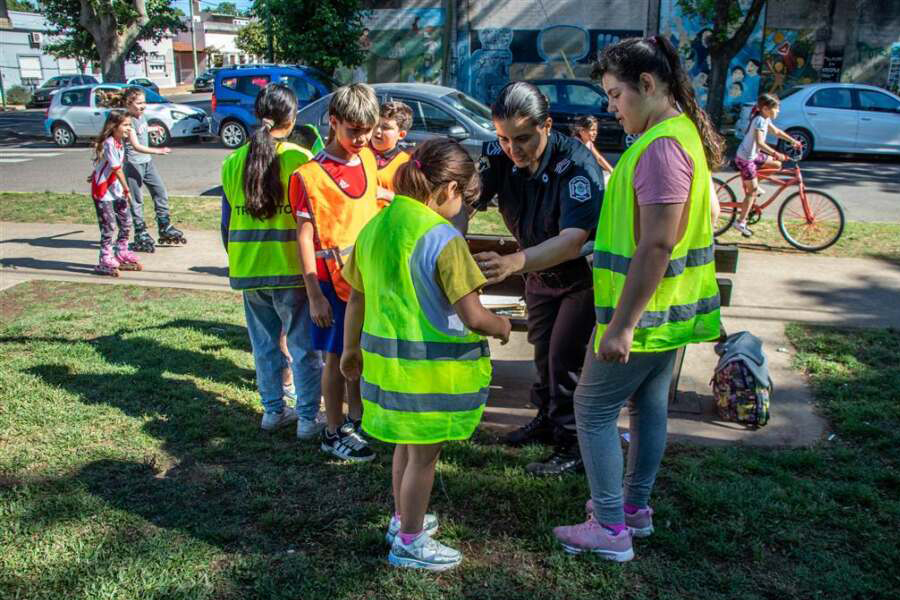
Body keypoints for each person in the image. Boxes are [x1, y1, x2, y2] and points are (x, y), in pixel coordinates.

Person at [551, 35, 723, 562]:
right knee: (647, 405)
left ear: (647, 85)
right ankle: (633, 510)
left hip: (642, 316)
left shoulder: (662, 148)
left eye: (614, 94)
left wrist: (621, 325)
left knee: (592, 407)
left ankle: (608, 526)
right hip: (669, 311)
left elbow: (657, 242)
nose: (609, 107)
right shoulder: (678, 134)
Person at [340, 138, 511, 571]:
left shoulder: (374, 228)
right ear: (449, 189)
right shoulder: (443, 239)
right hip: (430, 378)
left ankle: (403, 520)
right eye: (465, 197)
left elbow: (356, 300)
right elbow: (473, 315)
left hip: (386, 371)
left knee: (406, 448)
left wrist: (348, 350)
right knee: (424, 459)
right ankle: (411, 542)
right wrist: (503, 326)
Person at [471, 81, 604, 476]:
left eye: (524, 138)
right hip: (537, 275)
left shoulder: (577, 165)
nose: (514, 149)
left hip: (580, 276)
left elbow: (573, 240)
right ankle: (546, 421)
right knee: (543, 354)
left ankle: (573, 445)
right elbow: (466, 198)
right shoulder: (498, 153)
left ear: (547, 125)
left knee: (565, 360)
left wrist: (513, 263)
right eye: (504, 138)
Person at [220, 83, 323, 437]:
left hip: (249, 269)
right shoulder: (299, 158)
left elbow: (226, 221)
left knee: (264, 346)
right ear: (292, 117)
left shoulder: (233, 160)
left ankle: (272, 412)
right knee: (303, 347)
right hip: (291, 269)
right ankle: (308, 419)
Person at [292, 83, 382, 462]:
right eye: (353, 130)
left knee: (357, 354)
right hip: (332, 283)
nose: (362, 138)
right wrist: (313, 293)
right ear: (333, 122)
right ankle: (332, 431)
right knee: (334, 356)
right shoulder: (307, 176)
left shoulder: (368, 160)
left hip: (368, 279)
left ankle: (357, 418)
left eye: (368, 130)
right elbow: (304, 236)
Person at [119, 86, 186, 252]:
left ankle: (164, 226)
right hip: (134, 164)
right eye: (139, 103)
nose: (143, 106)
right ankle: (140, 232)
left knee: (160, 192)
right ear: (129, 104)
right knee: (137, 200)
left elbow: (142, 131)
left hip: (147, 163)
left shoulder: (141, 117)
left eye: (144, 102)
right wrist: (158, 150)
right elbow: (135, 145)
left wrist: (152, 128)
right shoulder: (128, 120)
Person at [733, 93, 801, 237]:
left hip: (754, 156)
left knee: (776, 165)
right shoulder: (759, 120)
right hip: (746, 159)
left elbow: (776, 132)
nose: (778, 111)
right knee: (752, 192)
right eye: (776, 108)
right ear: (765, 108)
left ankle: (754, 184)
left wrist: (793, 141)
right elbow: (760, 143)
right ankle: (740, 222)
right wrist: (776, 153)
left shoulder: (765, 119)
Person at [90, 109, 142, 276]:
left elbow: (105, 164)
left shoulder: (120, 142)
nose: (129, 128)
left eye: (130, 125)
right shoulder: (110, 143)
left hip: (115, 188)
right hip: (104, 190)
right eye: (126, 125)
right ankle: (105, 257)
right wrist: (127, 188)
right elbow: (116, 168)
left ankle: (122, 250)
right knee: (109, 225)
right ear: (114, 126)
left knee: (126, 221)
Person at [371, 100, 413, 203]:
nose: (378, 131)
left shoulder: (406, 165)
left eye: (386, 128)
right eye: (376, 124)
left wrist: (387, 195)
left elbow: (411, 203)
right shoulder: (357, 152)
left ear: (401, 135)